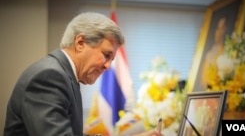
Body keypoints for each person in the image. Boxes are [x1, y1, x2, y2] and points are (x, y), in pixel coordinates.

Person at [4, 12, 163, 136]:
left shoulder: (66, 76)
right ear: (80, 43)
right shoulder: (50, 76)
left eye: (112, 59)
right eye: (106, 55)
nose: (108, 66)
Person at [201, 16, 227, 88]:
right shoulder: (209, 53)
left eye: (222, 28)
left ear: (225, 29)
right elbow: (203, 78)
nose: (219, 32)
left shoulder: (227, 52)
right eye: (218, 28)